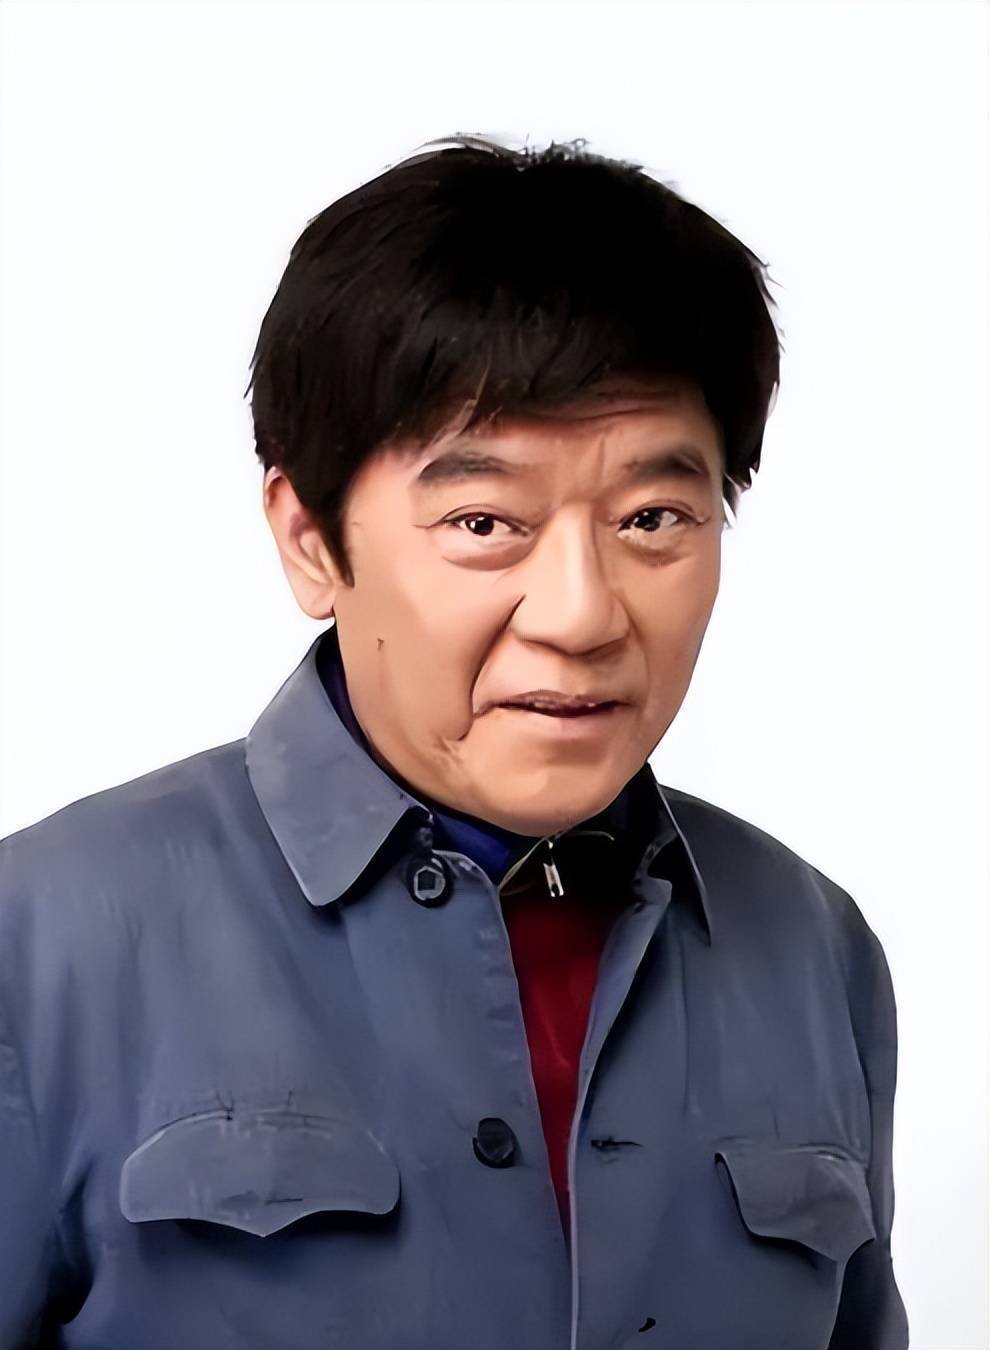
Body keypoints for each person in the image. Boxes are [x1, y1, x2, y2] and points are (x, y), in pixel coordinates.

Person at [0, 134, 908, 1349]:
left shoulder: (814, 951)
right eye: (485, 522)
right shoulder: (41, 940)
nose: (582, 616)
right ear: (310, 540)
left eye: (654, 518)